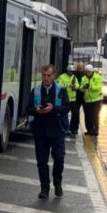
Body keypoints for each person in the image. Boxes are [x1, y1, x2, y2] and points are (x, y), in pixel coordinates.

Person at [27, 64, 70, 199]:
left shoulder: (61, 90)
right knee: (41, 161)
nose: (46, 78)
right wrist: (37, 110)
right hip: (40, 130)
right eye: (44, 75)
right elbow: (28, 109)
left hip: (57, 130)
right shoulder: (36, 90)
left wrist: (54, 108)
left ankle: (57, 182)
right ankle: (44, 187)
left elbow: (67, 108)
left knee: (59, 158)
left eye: (49, 75)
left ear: (54, 76)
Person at [57, 64, 80, 136]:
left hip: (73, 99)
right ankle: (64, 129)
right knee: (64, 114)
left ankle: (73, 129)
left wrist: (75, 86)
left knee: (76, 114)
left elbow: (78, 85)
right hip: (65, 99)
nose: (72, 73)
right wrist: (68, 85)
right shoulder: (62, 77)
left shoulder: (74, 77)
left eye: (73, 72)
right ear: (67, 71)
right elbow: (59, 85)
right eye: (71, 71)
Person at [81, 64, 103, 136]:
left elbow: (98, 87)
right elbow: (81, 89)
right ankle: (89, 130)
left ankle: (95, 130)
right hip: (87, 100)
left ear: (92, 71)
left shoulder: (98, 77)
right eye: (87, 72)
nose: (88, 73)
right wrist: (84, 87)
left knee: (95, 115)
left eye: (89, 72)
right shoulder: (84, 78)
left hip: (96, 99)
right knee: (88, 116)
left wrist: (90, 86)